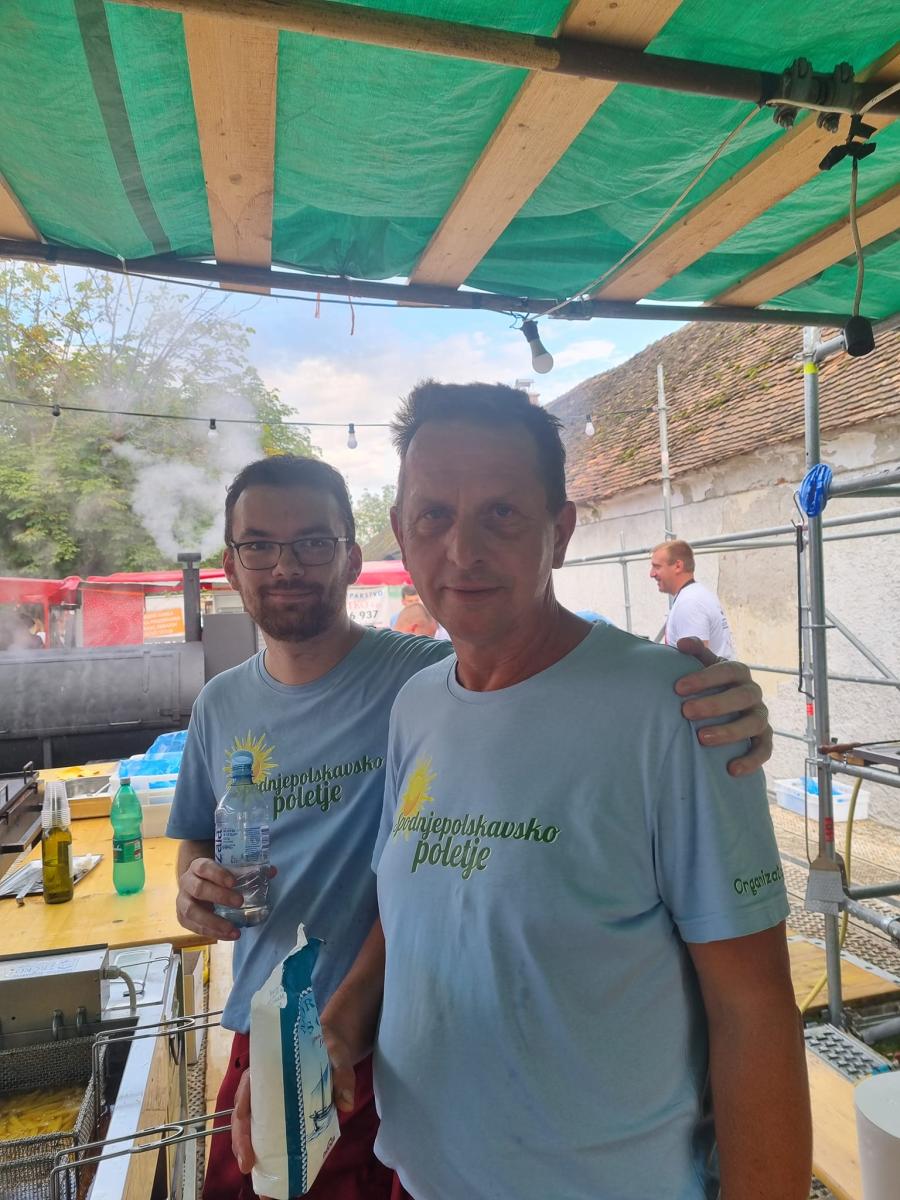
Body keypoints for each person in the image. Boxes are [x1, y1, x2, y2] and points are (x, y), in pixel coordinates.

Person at [172, 453, 774, 1200]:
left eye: (313, 543)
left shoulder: (427, 677)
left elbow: (543, 660)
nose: (286, 566)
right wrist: (194, 888)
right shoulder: (249, 704)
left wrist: (711, 693)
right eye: (260, 546)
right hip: (300, 1044)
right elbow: (205, 839)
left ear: (354, 557)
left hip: (425, 1058)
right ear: (231, 564)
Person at [308, 383, 811, 1200]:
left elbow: (752, 1010)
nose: (462, 550)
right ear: (401, 532)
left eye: (502, 514)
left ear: (561, 532)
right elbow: (415, 917)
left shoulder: (674, 709)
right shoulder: (416, 707)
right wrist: (335, 1029)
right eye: (433, 516)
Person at [650, 538, 736, 658]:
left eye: (657, 567)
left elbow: (697, 663)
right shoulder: (696, 594)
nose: (652, 574)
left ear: (678, 566)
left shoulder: (689, 603)